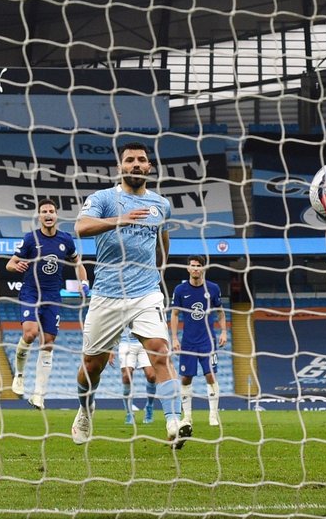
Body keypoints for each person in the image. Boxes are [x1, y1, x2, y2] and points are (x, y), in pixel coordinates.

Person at [72, 142, 190, 448]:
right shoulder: (103, 199)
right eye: (130, 160)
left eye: (141, 160)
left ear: (149, 167)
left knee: (159, 352)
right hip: (107, 294)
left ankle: (174, 421)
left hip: (145, 292)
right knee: (91, 368)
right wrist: (118, 220)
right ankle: (85, 409)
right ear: (120, 167)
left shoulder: (160, 205)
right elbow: (81, 227)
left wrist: (155, 273)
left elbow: (163, 244)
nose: (136, 164)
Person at [5, 198, 88, 410]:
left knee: (48, 342)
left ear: (56, 214)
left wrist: (84, 283)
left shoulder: (66, 239)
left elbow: (77, 262)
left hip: (53, 296)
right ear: (39, 215)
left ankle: (39, 394)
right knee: (30, 333)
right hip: (31, 292)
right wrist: (18, 265)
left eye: (51, 211)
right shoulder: (30, 239)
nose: (48, 214)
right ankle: (20, 376)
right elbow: (10, 264)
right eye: (44, 211)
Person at [170, 255, 228, 428]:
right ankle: (187, 417)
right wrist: (174, 338)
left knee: (210, 375)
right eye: (192, 266)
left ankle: (213, 416)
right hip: (188, 342)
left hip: (208, 341)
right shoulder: (180, 290)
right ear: (188, 268)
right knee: (186, 378)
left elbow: (220, 312)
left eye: (198, 266)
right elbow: (174, 314)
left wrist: (224, 331)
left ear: (203, 268)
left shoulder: (213, 288)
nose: (195, 269)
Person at [113, 327, 159, 425]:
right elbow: (115, 325)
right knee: (126, 376)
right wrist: (111, 348)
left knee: (152, 376)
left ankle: (149, 407)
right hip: (126, 343)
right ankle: (129, 412)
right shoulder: (123, 311)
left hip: (145, 342)